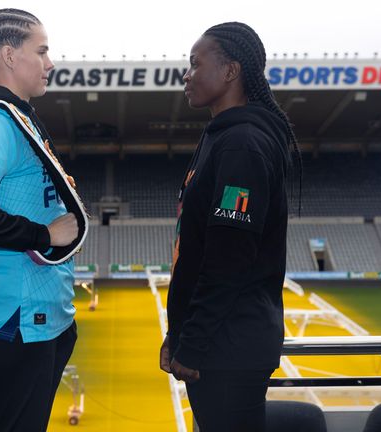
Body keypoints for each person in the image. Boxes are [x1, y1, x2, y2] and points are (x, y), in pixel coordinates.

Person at [0, 8, 88, 432]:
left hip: (45, 324)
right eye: (41, 51)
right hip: (17, 326)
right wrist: (43, 232)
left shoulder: (18, 117)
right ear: (9, 55)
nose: (50, 62)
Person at [160, 21, 301, 431]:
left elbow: (229, 258)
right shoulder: (221, 138)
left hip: (227, 349)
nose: (186, 75)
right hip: (217, 342)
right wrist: (180, 332)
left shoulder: (242, 145)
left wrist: (195, 343)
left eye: (194, 64)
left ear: (230, 71)